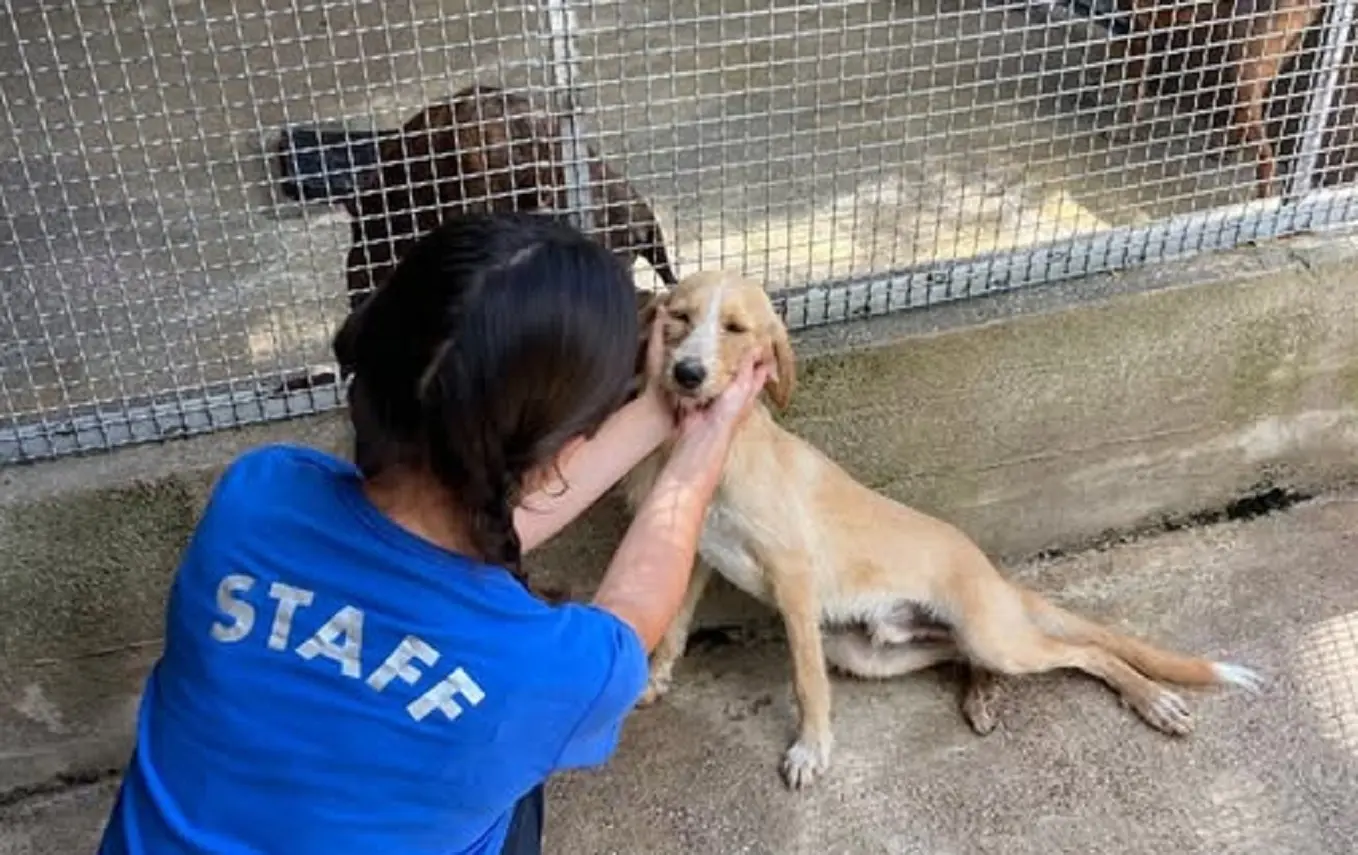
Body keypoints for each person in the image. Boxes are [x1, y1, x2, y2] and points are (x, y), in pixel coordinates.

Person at [96, 211, 771, 855]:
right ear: (563, 453)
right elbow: (634, 614)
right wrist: (700, 447)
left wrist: (657, 409)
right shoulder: (539, 672)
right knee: (517, 777)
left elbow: (459, 507)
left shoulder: (257, 494)